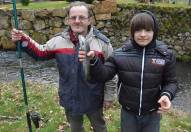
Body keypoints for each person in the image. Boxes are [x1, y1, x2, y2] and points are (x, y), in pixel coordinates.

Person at [11, 1, 117, 132]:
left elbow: (111, 73)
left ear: (89, 20)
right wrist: (22, 39)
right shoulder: (58, 41)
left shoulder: (103, 43)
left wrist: (109, 96)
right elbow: (40, 52)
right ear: (67, 20)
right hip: (70, 97)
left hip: (94, 97)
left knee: (99, 127)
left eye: (82, 17)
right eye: (73, 17)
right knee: (76, 128)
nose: (77, 21)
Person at [79, 10, 177, 132]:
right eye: (138, 30)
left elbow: (171, 82)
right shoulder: (120, 54)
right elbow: (104, 75)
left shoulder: (166, 55)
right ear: (132, 32)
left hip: (153, 114)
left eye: (147, 30)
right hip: (128, 113)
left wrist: (166, 95)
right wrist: (94, 61)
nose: (142, 34)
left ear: (154, 32)